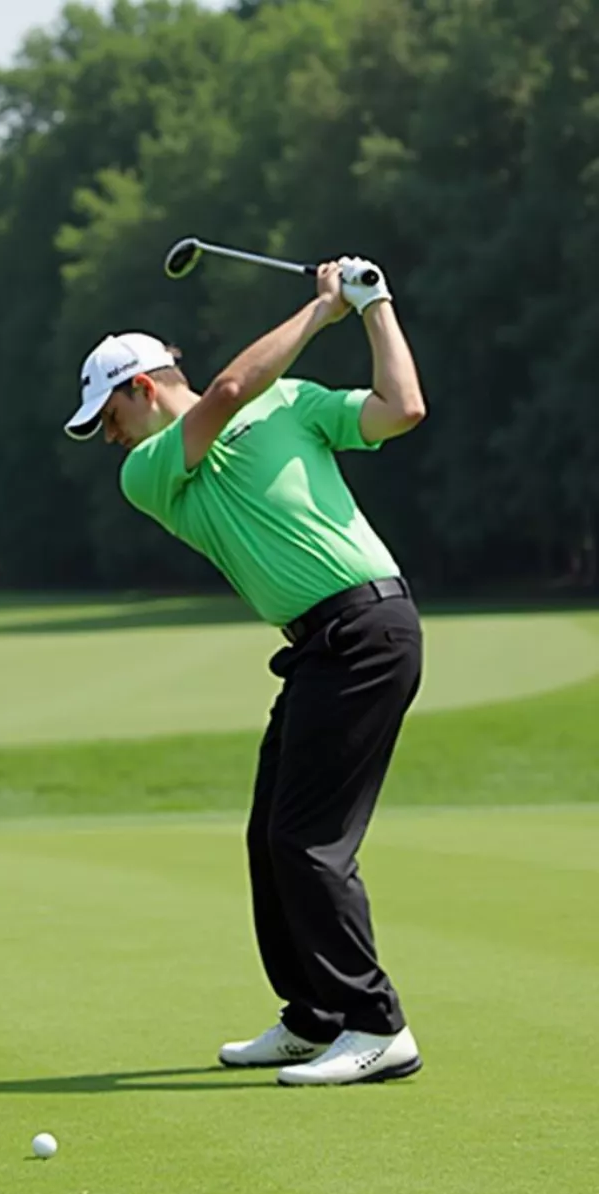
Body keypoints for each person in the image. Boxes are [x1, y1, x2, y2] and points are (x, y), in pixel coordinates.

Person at [64, 257, 427, 1086]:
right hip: (319, 648)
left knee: (309, 841)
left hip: (367, 629)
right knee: (273, 837)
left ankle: (376, 1024)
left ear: (143, 389)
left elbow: (403, 408)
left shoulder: (293, 403)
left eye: (108, 415)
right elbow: (226, 391)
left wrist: (375, 309)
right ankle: (316, 1016)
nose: (107, 436)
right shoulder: (149, 473)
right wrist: (323, 309)